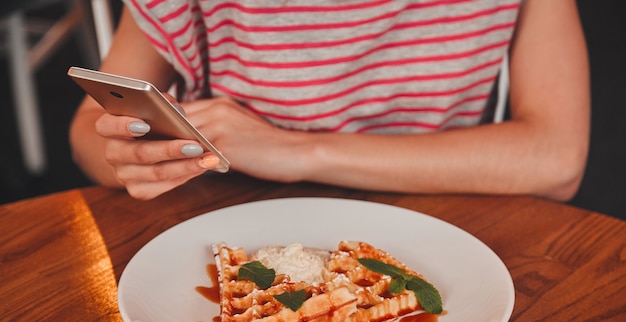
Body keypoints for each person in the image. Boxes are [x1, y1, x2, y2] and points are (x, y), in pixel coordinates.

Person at [70, 0, 590, 201]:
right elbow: (90, 130)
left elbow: (556, 158)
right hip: (225, 222)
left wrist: (300, 151)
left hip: (441, 214)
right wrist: (134, 156)